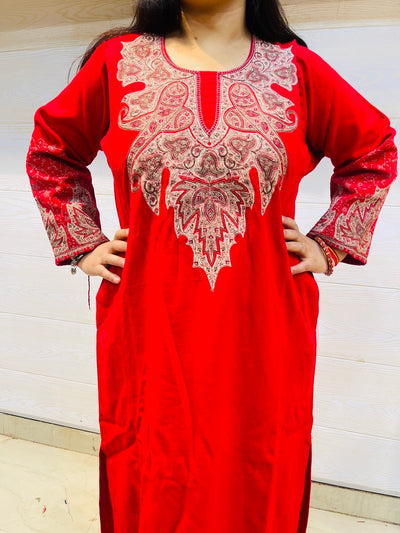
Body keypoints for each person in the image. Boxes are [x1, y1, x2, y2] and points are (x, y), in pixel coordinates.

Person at [26, 0, 397, 530]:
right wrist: (81, 241)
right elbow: (51, 149)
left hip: (264, 324)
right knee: (154, 459)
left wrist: (331, 241)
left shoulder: (296, 69)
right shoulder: (117, 63)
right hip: (150, 322)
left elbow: (374, 151)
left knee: (261, 459)